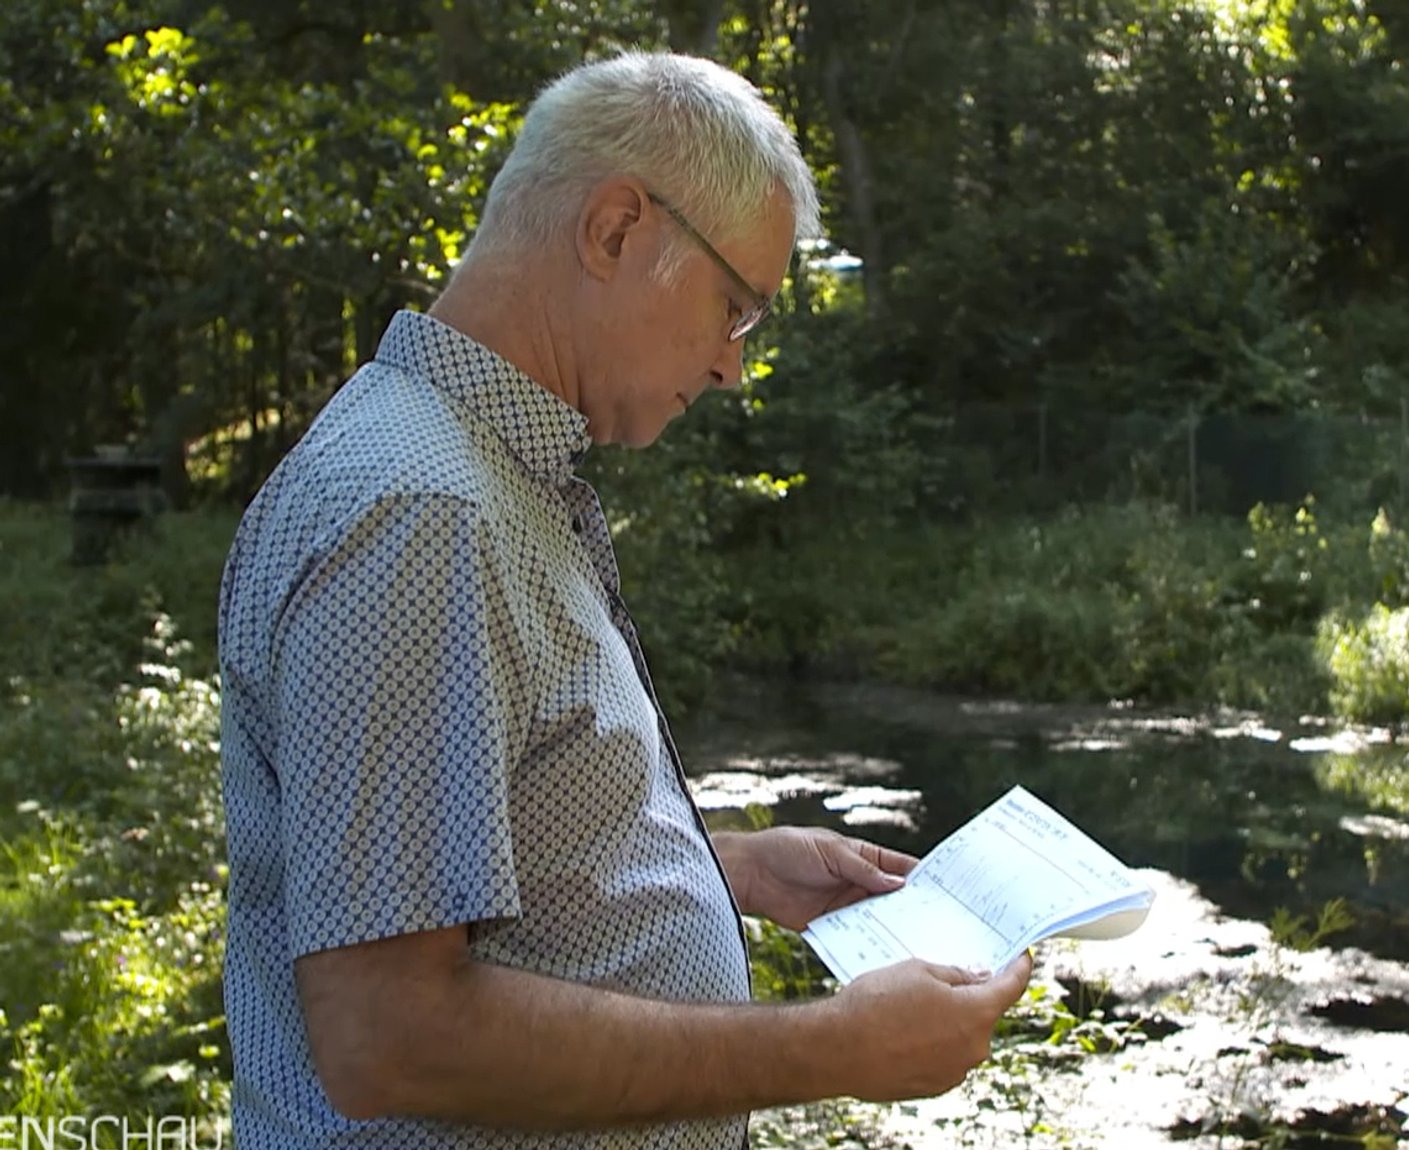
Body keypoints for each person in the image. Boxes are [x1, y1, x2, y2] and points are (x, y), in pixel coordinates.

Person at [215, 51, 1032, 1150]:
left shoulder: (480, 481)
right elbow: (389, 1029)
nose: (735, 367)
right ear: (614, 230)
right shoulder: (421, 512)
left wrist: (723, 865)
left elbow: (485, 863)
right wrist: (833, 1046)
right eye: (737, 308)